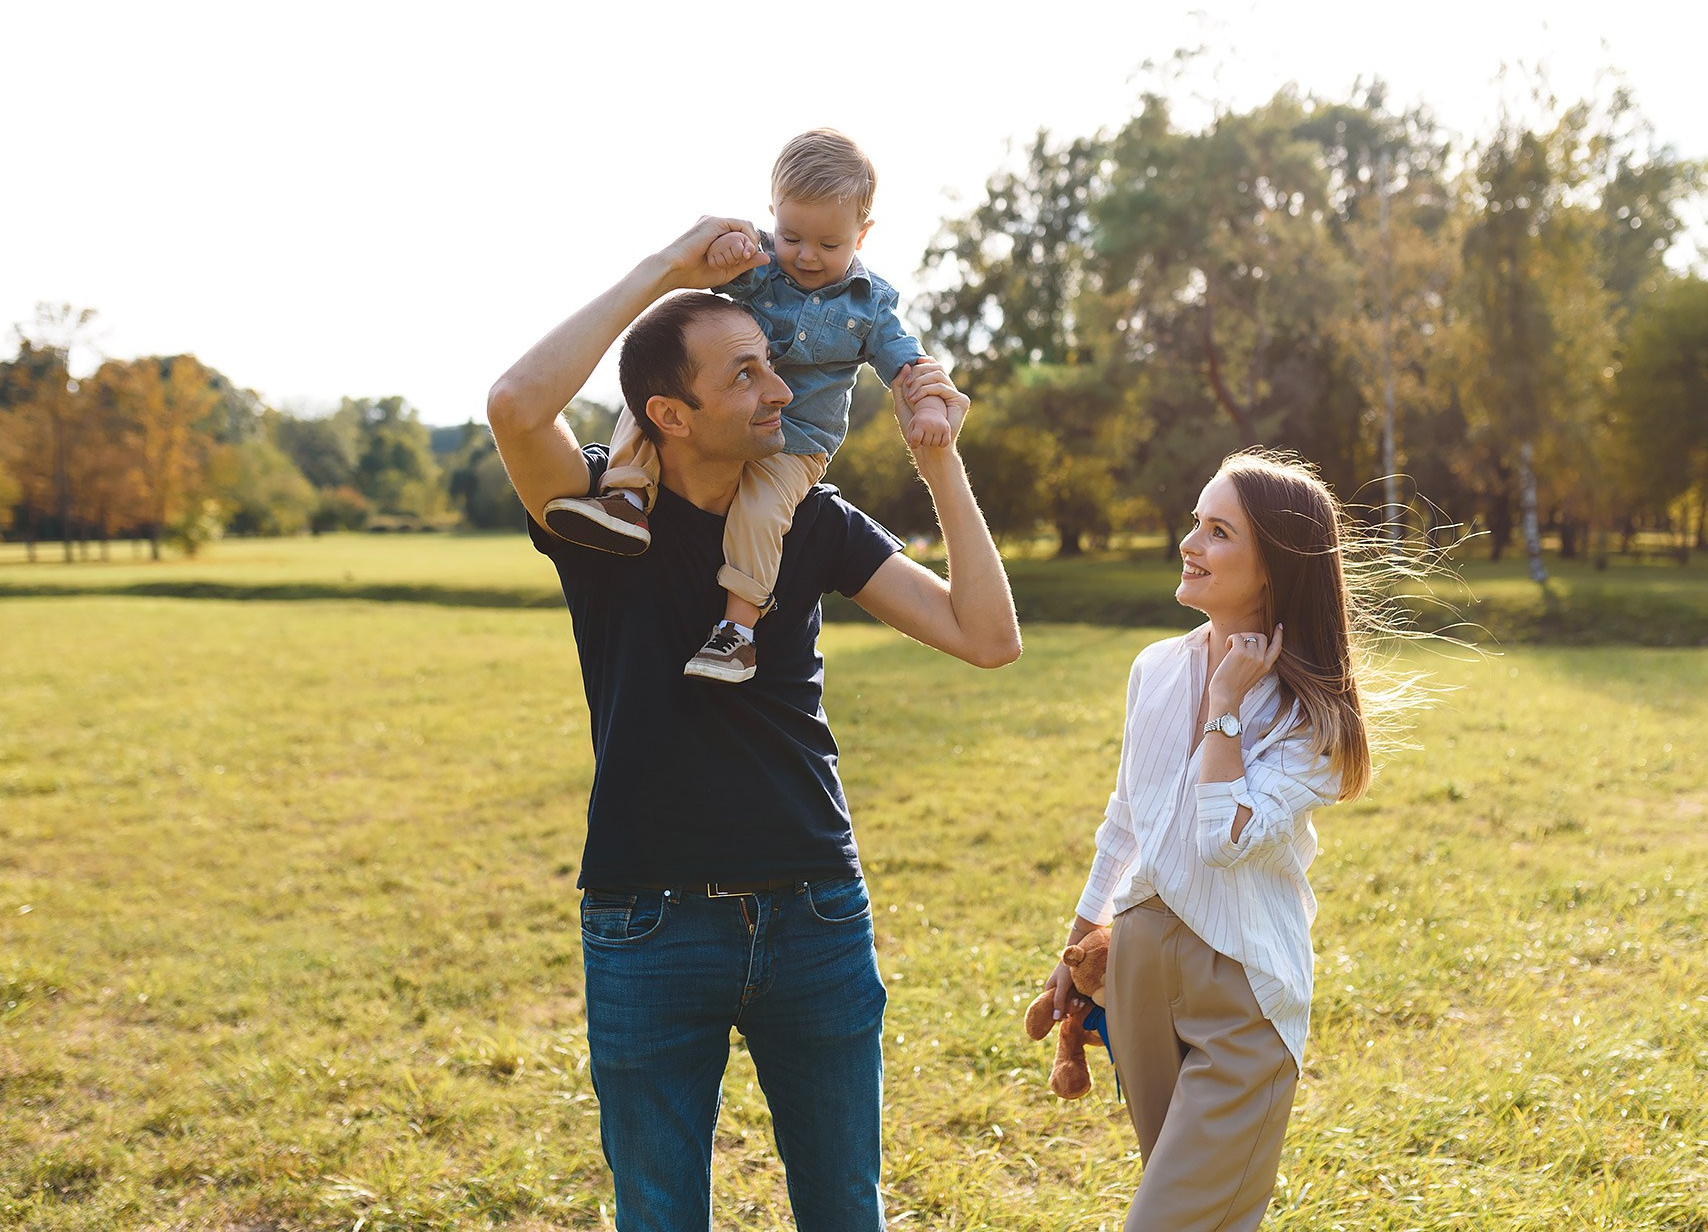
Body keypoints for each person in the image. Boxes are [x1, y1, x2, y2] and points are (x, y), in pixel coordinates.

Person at [485, 214, 1019, 1232]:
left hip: (816, 912)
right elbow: (515, 403)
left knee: (844, 1212)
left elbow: (987, 637)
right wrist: (666, 269)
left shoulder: (810, 517)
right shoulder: (602, 515)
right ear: (669, 414)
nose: (782, 389)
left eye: (771, 363)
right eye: (744, 374)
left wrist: (940, 460)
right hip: (647, 921)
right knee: (659, 1216)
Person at [1045, 448, 1380, 1231]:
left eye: (1219, 531)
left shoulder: (1312, 716)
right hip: (1138, 970)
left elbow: (1225, 838)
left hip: (1243, 992)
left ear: (1273, 568)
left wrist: (1226, 704)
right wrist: (1078, 942)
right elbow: (1125, 819)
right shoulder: (1153, 667)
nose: (1189, 542)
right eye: (1197, 522)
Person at [543, 129, 951, 685]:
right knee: (653, 398)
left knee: (760, 513)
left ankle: (737, 631)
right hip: (727, 418)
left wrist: (927, 409)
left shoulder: (871, 306)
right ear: (773, 215)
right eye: (791, 236)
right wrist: (724, 249)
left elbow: (907, 363)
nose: (806, 256)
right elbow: (713, 261)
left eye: (829, 245)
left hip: (798, 442)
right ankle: (627, 499)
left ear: (862, 234)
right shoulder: (760, 263)